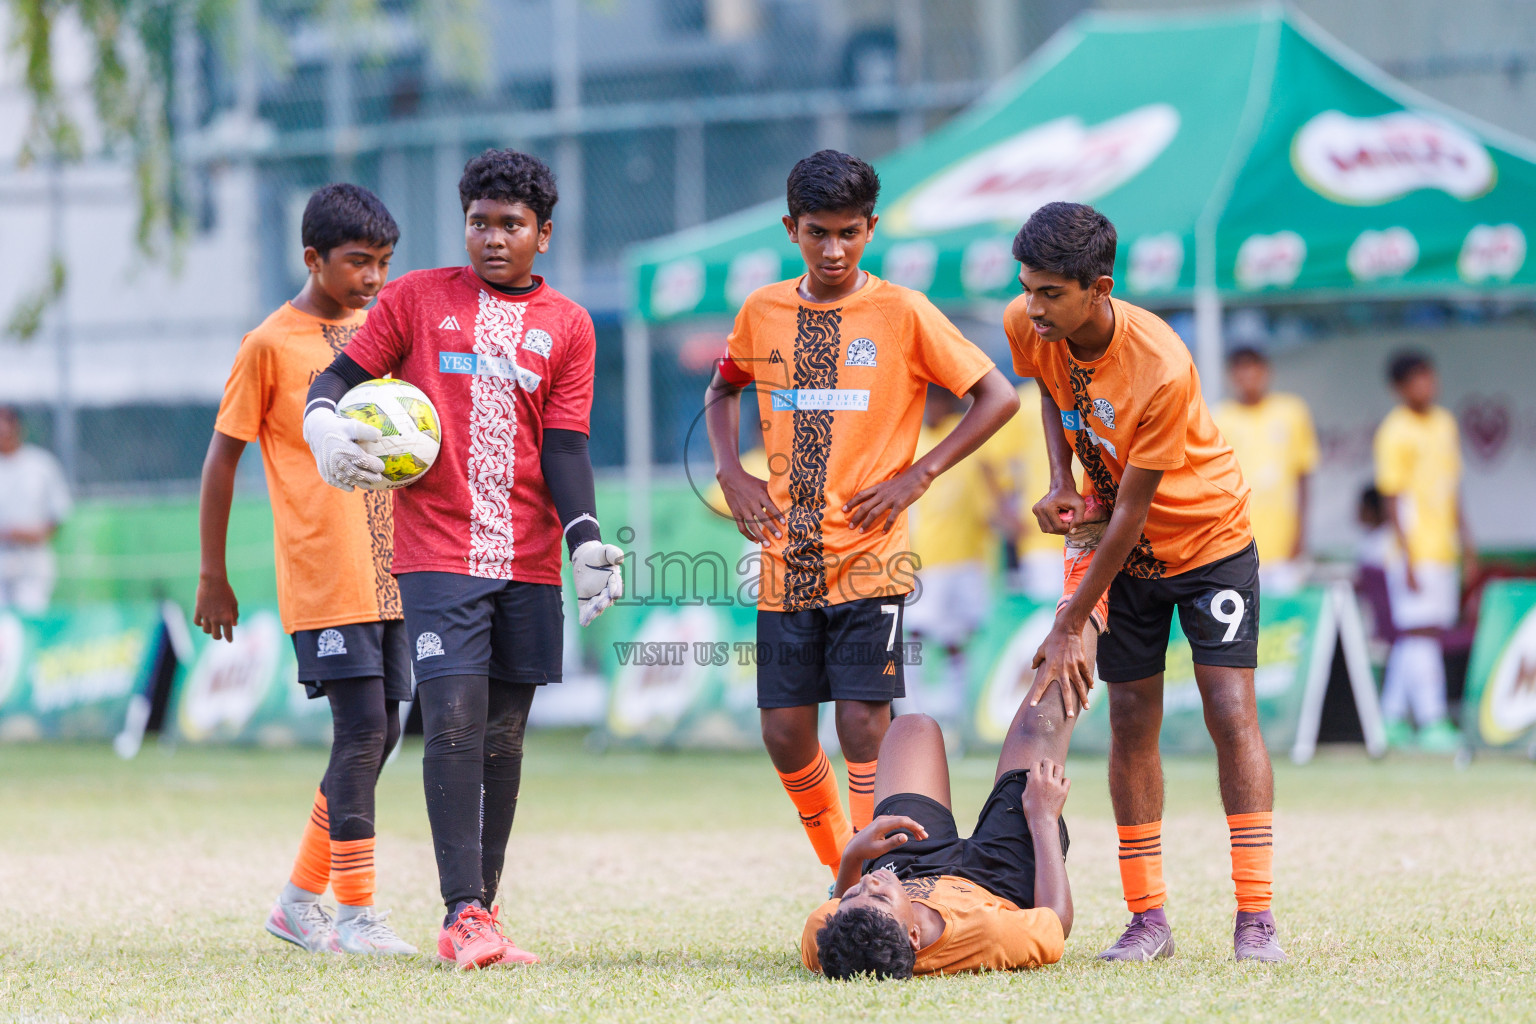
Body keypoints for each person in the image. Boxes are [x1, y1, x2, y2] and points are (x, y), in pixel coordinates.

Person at [304, 149, 624, 970]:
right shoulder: (415, 299)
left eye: (511, 224)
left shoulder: (570, 325)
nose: (492, 237)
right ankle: (463, 912)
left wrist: (586, 539)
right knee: (451, 719)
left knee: (505, 738)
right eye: (479, 222)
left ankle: (484, 906)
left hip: (528, 558)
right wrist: (323, 425)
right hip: (437, 551)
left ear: (542, 234)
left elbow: (566, 447)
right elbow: (336, 377)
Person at [704, 150, 1019, 878]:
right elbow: (722, 388)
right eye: (818, 232)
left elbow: (997, 396)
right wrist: (731, 471)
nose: (834, 249)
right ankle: (842, 868)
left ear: (871, 228)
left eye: (849, 232)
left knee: (861, 722)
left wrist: (918, 474)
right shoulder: (762, 310)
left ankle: (878, 878)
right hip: (787, 558)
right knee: (785, 733)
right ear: (791, 229)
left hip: (871, 558)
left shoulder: (903, 311)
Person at [1006, 202, 1284, 963]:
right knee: (1131, 719)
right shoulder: (1030, 324)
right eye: (1027, 289)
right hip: (1123, 555)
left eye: (1051, 294)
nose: (1034, 308)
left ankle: (1255, 917)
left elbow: (1131, 511)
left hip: (1207, 540)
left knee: (1230, 710)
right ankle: (1148, 919)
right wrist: (1060, 476)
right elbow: (1049, 388)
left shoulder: (1160, 361)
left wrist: (1070, 621)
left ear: (1099, 289)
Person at [194, 184, 414, 957]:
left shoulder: (380, 334)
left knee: (385, 730)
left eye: (384, 262)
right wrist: (213, 574)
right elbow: (222, 459)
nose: (374, 277)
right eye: (359, 262)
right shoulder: (268, 344)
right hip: (324, 571)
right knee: (362, 729)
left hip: (395, 571)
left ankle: (296, 902)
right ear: (313, 258)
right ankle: (355, 915)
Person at [799, 699, 1076, 977]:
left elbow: (840, 904)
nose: (868, 882)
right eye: (880, 897)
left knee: (912, 728)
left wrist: (853, 855)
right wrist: (1044, 818)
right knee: (1040, 724)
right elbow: (1057, 921)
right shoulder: (989, 934)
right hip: (1000, 884)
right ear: (914, 936)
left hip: (907, 870)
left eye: (854, 893)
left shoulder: (826, 938)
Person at [1373, 351, 1473, 753]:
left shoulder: (1445, 423)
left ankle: (1391, 717)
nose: (1425, 386)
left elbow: (1453, 488)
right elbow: (1392, 498)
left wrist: (1467, 541)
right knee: (1422, 632)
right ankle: (1431, 719)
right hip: (1413, 551)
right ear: (1398, 388)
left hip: (1443, 548)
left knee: (1421, 634)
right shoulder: (1394, 431)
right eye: (1415, 380)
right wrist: (1407, 555)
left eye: (1428, 377)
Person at [904, 385, 993, 733]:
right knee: (915, 636)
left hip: (968, 560)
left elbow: (988, 497)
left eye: (938, 400)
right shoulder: (912, 444)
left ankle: (956, 717)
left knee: (956, 639)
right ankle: (910, 714)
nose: (932, 407)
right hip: (925, 561)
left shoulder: (963, 439)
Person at [1214, 347, 1319, 595]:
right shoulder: (1220, 418)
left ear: (1266, 371)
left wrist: (1300, 535)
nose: (1248, 375)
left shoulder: (1292, 412)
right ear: (1231, 375)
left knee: (1286, 616)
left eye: (1253, 367)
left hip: (1285, 545)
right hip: (1238, 546)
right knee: (1247, 615)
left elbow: (1303, 477)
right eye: (1240, 368)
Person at [0, 407, 71, 615]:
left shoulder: (40, 465)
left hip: (31, 561)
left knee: (30, 618)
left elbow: (57, 513)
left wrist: (31, 534)